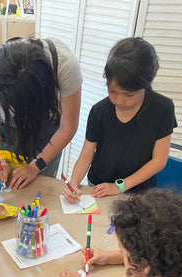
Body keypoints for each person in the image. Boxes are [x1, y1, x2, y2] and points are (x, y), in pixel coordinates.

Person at [64, 37, 177, 203]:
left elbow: (159, 161)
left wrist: (120, 186)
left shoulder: (162, 108)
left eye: (129, 95)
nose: (119, 101)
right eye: (112, 91)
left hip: (139, 192)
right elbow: (86, 154)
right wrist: (73, 184)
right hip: (99, 186)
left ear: (149, 81)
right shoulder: (99, 111)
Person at [0, 36, 82, 189]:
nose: (15, 112)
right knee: (4, 187)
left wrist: (36, 166)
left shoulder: (63, 65)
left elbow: (68, 127)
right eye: (9, 106)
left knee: (40, 190)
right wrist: (0, 160)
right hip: (4, 129)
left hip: (47, 131)